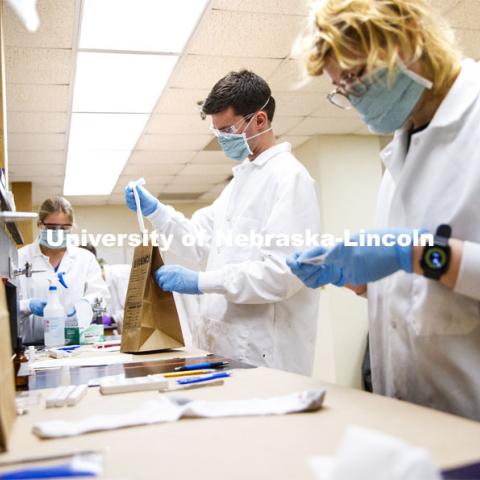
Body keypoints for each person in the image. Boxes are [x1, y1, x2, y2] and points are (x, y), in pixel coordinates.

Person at [287, 0, 480, 419]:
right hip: (417, 423)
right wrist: (361, 281)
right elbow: (428, 291)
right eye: (341, 89)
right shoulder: (404, 149)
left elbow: (426, 256)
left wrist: (411, 253)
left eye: (354, 78)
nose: (351, 97)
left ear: (408, 38)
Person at [125, 70, 321, 375]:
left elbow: (282, 274)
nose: (222, 140)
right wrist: (155, 211)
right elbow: (197, 242)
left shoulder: (289, 178)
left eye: (227, 129)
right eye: (218, 133)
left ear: (259, 120)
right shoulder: (239, 183)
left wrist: (201, 282)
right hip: (225, 348)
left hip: (266, 355)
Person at [18, 197, 109, 344]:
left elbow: (100, 297)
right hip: (31, 347)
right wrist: (26, 306)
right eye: (52, 227)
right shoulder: (20, 258)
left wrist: (84, 306)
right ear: (40, 225)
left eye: (64, 228)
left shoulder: (85, 259)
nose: (58, 232)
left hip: (75, 344)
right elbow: (6, 307)